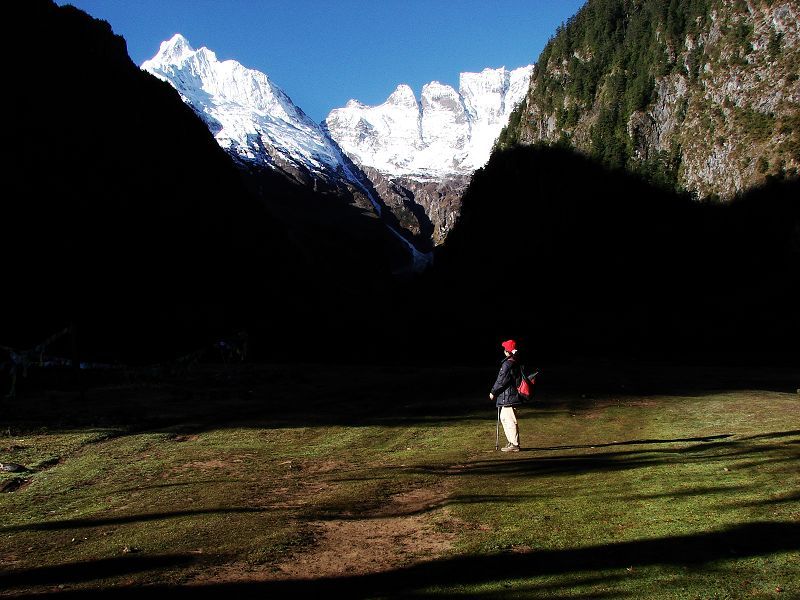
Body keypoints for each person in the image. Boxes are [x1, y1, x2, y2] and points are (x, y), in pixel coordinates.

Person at [489, 339, 523, 452]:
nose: (504, 351)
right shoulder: (514, 361)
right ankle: (511, 442)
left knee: (509, 420)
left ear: (507, 351)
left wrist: (493, 392)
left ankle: (514, 444)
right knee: (504, 418)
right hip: (508, 396)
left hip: (508, 396)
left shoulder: (508, 363)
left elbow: (501, 380)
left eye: (505, 349)